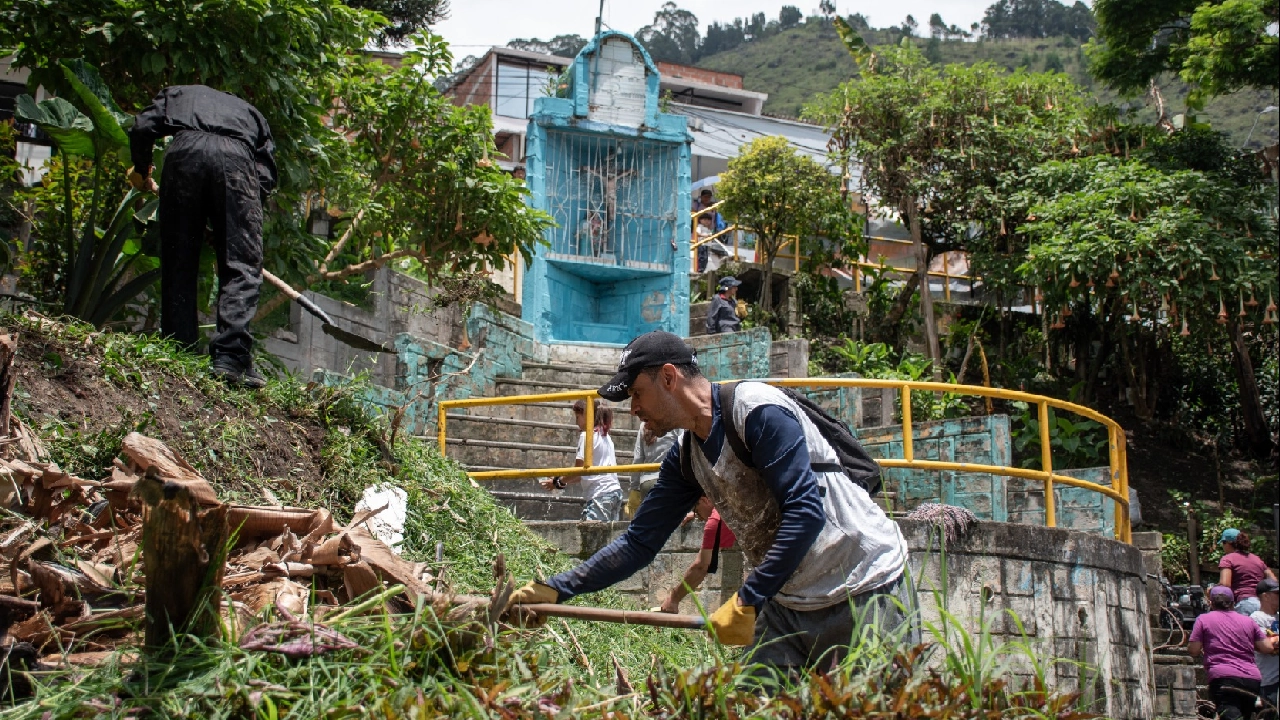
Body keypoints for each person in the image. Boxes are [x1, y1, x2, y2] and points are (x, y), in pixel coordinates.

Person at [509, 331, 914, 676]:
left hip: (864, 584)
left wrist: (748, 597)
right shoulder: (686, 459)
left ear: (669, 377)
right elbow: (638, 544)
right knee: (750, 707)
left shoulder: (757, 410)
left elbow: (805, 512)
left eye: (636, 393)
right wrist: (556, 589)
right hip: (788, 602)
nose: (633, 408)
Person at [128, 85, 276, 389]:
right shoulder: (252, 114)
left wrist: (142, 168)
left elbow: (142, 127)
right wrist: (235, 226)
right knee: (242, 266)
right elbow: (265, 176)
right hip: (237, 163)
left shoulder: (179, 93)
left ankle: (178, 347)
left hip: (183, 156)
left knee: (178, 258)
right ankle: (231, 359)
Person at [1190, 585, 1279, 720]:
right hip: (1251, 679)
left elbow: (1194, 650)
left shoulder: (1203, 619)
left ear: (1211, 603)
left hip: (1223, 677)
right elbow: (1266, 647)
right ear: (1233, 603)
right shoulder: (1248, 621)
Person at [539, 399, 623, 522]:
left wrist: (557, 482)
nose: (576, 421)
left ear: (587, 415)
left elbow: (579, 470)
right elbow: (585, 474)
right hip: (614, 492)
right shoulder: (605, 437)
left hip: (600, 493)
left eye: (578, 417)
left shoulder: (587, 436)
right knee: (608, 533)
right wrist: (560, 480)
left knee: (592, 532)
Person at [658, 496, 738, 614]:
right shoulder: (730, 503)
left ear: (704, 500)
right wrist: (696, 513)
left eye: (697, 511)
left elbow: (701, 567)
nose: (700, 519)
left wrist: (674, 599)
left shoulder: (715, 520)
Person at [626, 422, 680, 517]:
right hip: (669, 481)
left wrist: (634, 488)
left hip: (647, 483)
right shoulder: (675, 424)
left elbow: (638, 459)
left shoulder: (644, 425)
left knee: (650, 521)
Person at [1220, 528, 1277, 615]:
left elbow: (1225, 585)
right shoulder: (1257, 559)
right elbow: (1274, 581)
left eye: (1223, 543)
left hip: (1244, 604)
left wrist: (1212, 590)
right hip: (1262, 604)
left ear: (1228, 543)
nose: (1223, 546)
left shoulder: (1227, 559)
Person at [1251, 579, 1280, 718]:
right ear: (1265, 596)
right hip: (1267, 680)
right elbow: (1265, 646)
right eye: (1277, 594)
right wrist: (1273, 642)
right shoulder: (1256, 618)